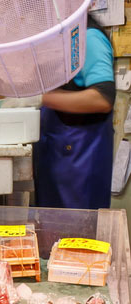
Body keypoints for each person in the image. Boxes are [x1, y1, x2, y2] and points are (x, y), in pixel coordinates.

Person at [34, 18, 115, 209]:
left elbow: (102, 98)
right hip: (56, 154)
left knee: (78, 234)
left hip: (80, 159)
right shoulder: (62, 37)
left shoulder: (89, 36)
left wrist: (40, 98)